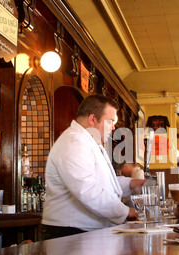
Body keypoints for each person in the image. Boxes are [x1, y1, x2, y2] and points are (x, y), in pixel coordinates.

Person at [41, 94, 145, 239]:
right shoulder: (73, 142)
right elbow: (87, 189)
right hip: (70, 231)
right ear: (92, 119)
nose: (114, 128)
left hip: (84, 229)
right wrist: (126, 212)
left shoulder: (89, 141)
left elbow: (102, 182)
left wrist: (132, 184)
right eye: (110, 122)